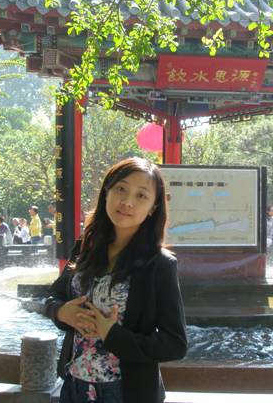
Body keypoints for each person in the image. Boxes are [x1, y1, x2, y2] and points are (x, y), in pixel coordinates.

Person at [44, 157, 187, 403]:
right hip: (73, 386)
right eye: (121, 189)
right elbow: (52, 296)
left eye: (141, 195)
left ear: (153, 207)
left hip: (124, 392)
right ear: (106, 192)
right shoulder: (87, 246)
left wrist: (113, 335)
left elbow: (175, 344)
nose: (127, 202)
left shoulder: (160, 265)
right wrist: (61, 312)